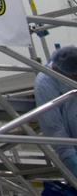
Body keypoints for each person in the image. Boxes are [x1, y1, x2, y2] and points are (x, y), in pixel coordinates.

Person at [36, 46, 77, 193]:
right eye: (75, 76)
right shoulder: (45, 83)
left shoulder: (69, 74)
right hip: (72, 146)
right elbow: (54, 129)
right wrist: (72, 163)